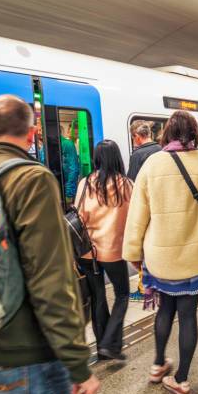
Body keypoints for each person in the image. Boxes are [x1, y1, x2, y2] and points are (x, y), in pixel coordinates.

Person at [0, 96, 99, 394]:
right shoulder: (33, 179)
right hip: (24, 352)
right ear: (31, 135)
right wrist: (77, 363)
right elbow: (50, 279)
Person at [123, 110, 198, 394]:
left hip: (160, 258)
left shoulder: (152, 164)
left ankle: (158, 365)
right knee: (188, 316)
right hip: (195, 257)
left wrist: (133, 251)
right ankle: (181, 380)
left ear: (167, 133)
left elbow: (137, 215)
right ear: (195, 133)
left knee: (164, 311)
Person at [75, 140, 132, 361]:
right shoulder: (126, 185)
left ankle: (102, 348)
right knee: (122, 295)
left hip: (87, 253)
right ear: (117, 158)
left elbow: (79, 215)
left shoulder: (84, 184)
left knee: (99, 297)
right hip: (114, 252)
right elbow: (135, 219)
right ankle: (111, 342)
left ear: (97, 158)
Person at [126, 120, 162, 302]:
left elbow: (131, 184)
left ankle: (143, 288)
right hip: (160, 208)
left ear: (137, 136)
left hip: (145, 209)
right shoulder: (161, 150)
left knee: (143, 250)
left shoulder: (137, 155)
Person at [60, 124, 80, 203]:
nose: (75, 134)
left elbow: (73, 168)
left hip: (71, 182)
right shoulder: (68, 143)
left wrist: (69, 192)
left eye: (76, 133)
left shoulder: (68, 144)